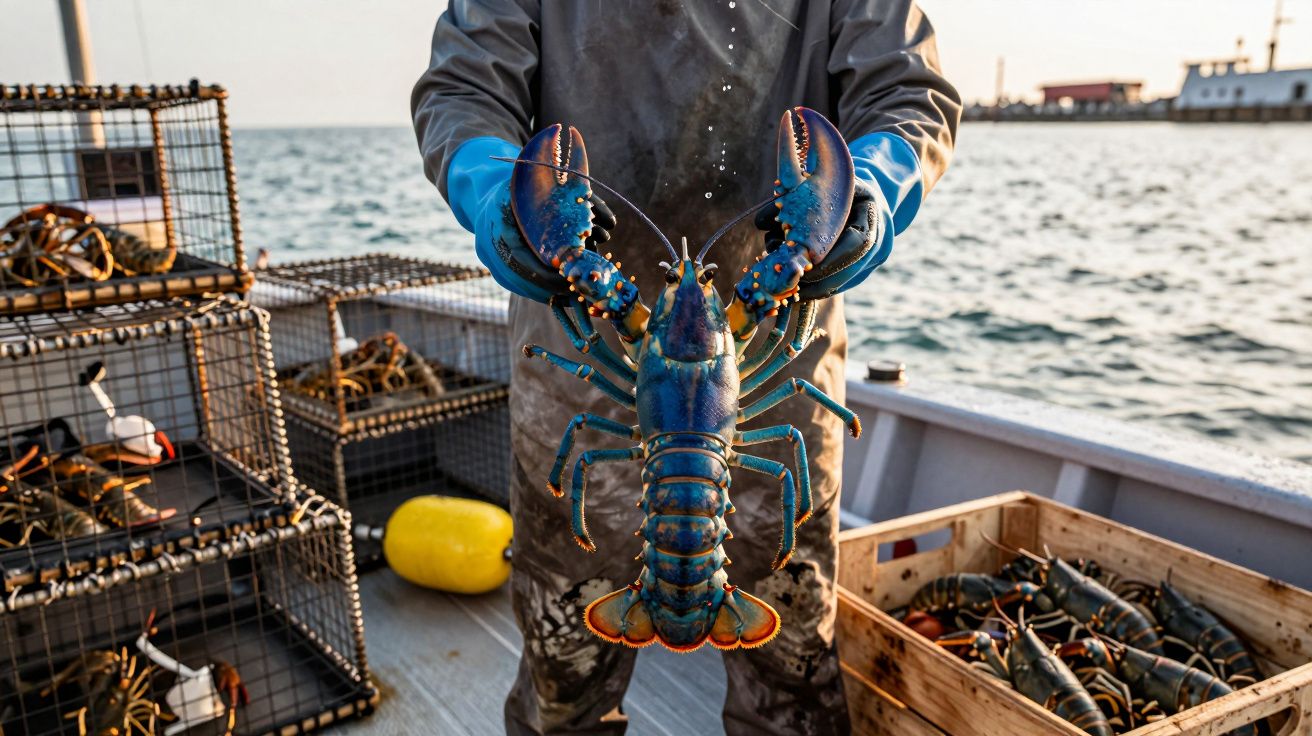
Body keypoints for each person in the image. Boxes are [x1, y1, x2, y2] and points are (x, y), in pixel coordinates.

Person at [413, 2, 959, 733]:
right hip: (598, 361)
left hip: (745, 362)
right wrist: (492, 192)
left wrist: (873, 187)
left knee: (791, 676)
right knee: (565, 677)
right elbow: (465, 90)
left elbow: (907, 92)